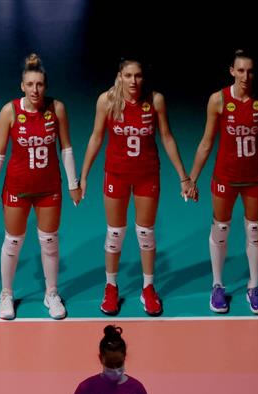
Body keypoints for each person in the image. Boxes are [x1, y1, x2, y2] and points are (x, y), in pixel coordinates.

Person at [79, 58, 195, 317]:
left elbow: (166, 137)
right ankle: (111, 287)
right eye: (128, 75)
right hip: (116, 174)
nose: (133, 81)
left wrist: (183, 177)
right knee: (115, 233)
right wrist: (83, 175)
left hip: (147, 175)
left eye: (138, 76)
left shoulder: (155, 101)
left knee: (145, 233)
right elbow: (96, 137)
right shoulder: (107, 101)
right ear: (120, 76)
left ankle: (148, 288)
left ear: (144, 77)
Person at [186, 50, 258, 315]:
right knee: (221, 229)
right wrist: (191, 179)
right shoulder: (218, 100)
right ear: (232, 70)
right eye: (240, 70)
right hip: (226, 177)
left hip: (256, 178)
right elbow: (206, 142)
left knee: (255, 230)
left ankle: (254, 286)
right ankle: (217, 285)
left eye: (250, 71)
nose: (245, 76)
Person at [0, 53, 81, 321]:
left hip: (49, 188)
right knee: (13, 242)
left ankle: (51, 293)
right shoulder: (10, 111)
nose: (35, 90)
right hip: (17, 188)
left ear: (45, 86)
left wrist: (73, 183)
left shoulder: (56, 108)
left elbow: (66, 148)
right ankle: (6, 294)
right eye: (30, 84)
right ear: (22, 86)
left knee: (49, 241)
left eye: (39, 84)